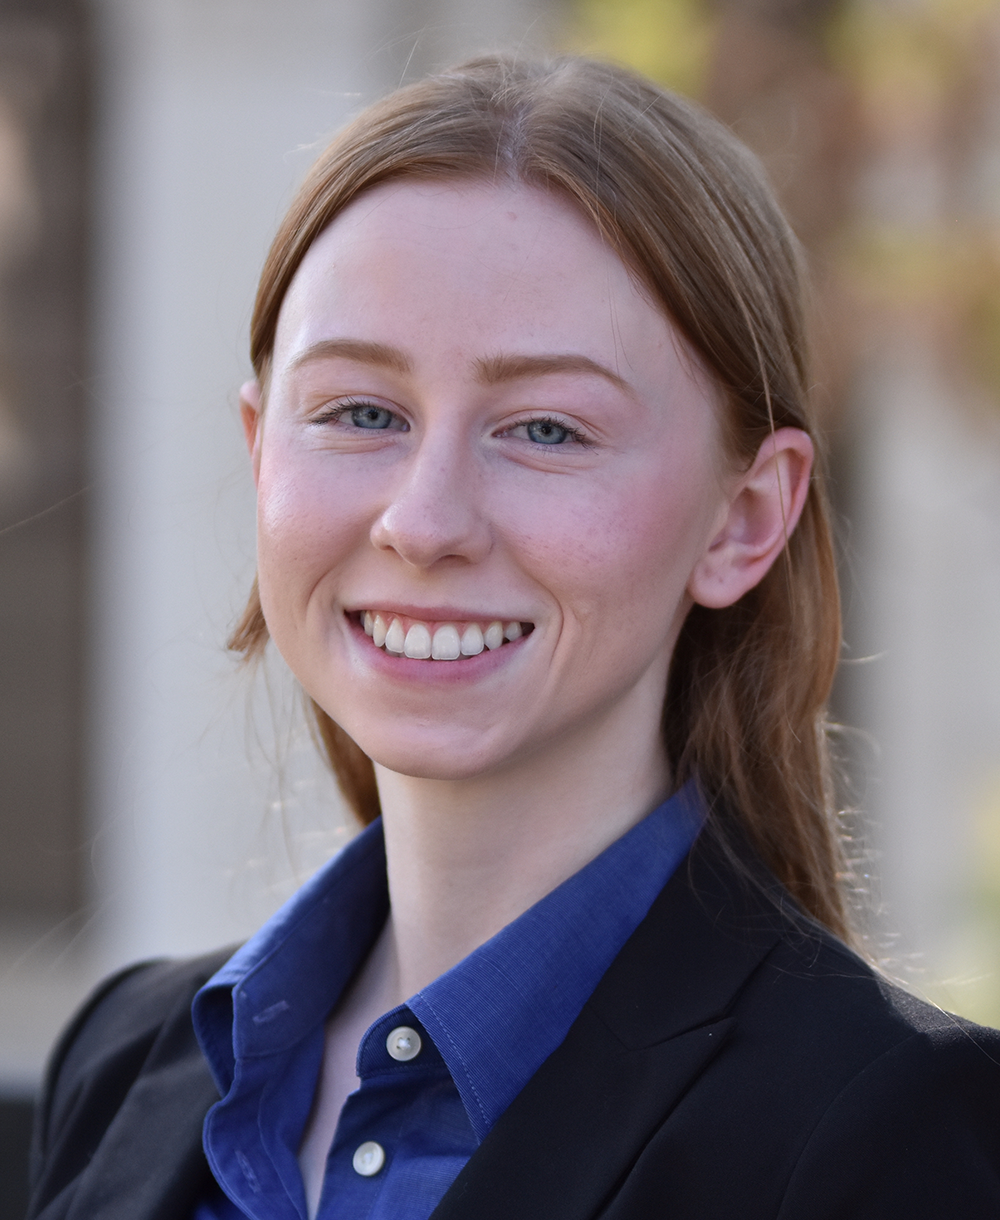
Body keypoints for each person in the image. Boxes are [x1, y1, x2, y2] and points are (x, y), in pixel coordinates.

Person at [27, 54, 1000, 1220]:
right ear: (259, 449)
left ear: (745, 518)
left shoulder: (881, 1127)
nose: (422, 520)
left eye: (545, 427)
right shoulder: (123, 1060)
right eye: (360, 413)